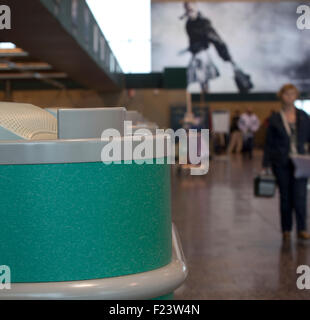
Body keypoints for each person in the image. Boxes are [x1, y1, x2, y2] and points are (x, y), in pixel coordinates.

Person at [263, 84, 310, 241]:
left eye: (293, 94)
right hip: (281, 162)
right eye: (287, 94)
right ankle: (286, 229)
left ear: (296, 96)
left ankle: (302, 228)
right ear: (281, 96)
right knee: (285, 196)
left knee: (301, 195)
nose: (290, 97)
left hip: (301, 162)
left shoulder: (303, 116)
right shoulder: (276, 118)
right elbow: (269, 142)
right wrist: (266, 163)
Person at [181, 2, 253, 93]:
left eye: (190, 9)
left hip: (202, 55)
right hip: (196, 54)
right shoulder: (189, 23)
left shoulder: (203, 23)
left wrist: (227, 57)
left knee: (203, 79)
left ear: (196, 8)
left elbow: (216, 40)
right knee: (194, 79)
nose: (188, 12)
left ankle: (205, 99)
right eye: (187, 9)